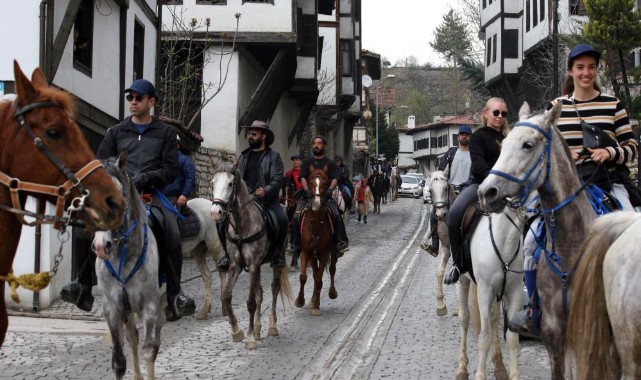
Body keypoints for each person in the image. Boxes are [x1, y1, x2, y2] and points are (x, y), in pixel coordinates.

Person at [509, 43, 640, 338]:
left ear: (597, 70)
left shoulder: (613, 104)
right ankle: (534, 309)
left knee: (632, 230)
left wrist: (610, 152)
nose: (586, 73)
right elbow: (543, 146)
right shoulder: (557, 107)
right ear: (571, 70)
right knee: (531, 243)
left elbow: (632, 147)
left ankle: (630, 303)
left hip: (606, 181)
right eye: (580, 67)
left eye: (591, 67)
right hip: (566, 186)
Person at [60, 79, 196, 322]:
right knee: (85, 228)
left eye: (138, 98)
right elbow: (100, 163)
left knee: (172, 229)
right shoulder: (115, 132)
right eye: (130, 98)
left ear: (151, 102)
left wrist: (145, 178)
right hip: (116, 194)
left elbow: (170, 170)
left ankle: (176, 296)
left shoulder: (166, 133)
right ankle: (82, 285)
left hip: (149, 193)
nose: (133, 102)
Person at [443, 98, 509, 285]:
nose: (500, 117)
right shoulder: (478, 136)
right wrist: (493, 176)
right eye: (496, 112)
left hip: (508, 187)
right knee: (454, 214)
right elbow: (478, 162)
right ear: (486, 113)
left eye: (503, 114)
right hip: (480, 184)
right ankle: (457, 264)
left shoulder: (509, 138)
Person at [216, 120, 287, 272]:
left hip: (266, 200)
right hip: (244, 200)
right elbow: (236, 179)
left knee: (281, 219)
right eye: (250, 132)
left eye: (254, 133)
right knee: (221, 221)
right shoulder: (243, 156)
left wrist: (266, 190)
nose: (250, 135)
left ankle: (277, 254)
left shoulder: (273, 156)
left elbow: (277, 179)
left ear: (263, 136)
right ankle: (227, 255)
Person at [290, 135, 349, 257]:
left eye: (319, 143)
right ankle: (295, 245)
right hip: (307, 197)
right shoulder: (307, 162)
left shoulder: (330, 163)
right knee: (295, 217)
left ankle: (340, 243)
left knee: (337, 216)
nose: (316, 145)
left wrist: (330, 191)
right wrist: (306, 190)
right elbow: (302, 178)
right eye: (314, 143)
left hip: (325, 197)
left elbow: (335, 179)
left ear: (324, 146)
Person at [420, 125, 472, 256]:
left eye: (467, 134)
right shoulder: (451, 153)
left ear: (470, 137)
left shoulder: (474, 153)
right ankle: (435, 245)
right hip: (450, 190)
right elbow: (441, 170)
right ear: (458, 137)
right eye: (462, 134)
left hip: (467, 190)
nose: (464, 136)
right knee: (434, 213)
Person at [163, 135, 196, 211]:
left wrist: (184, 194)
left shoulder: (185, 160)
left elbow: (190, 178)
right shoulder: (160, 160)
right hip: (159, 196)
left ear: (177, 145)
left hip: (175, 198)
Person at [284, 154, 303, 267]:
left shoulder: (305, 172)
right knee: (286, 221)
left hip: (304, 198)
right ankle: (288, 244)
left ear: (301, 161)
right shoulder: (289, 173)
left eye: (297, 160)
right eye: (294, 160)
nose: (295, 162)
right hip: (293, 200)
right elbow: (286, 187)